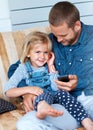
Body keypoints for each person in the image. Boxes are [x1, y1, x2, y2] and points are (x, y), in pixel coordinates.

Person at [7, 1, 93, 130]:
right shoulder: (48, 43)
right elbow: (15, 69)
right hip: (64, 104)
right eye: (55, 35)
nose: (58, 40)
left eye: (63, 35)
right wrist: (28, 92)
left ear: (77, 26)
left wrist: (81, 82)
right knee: (26, 124)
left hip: (89, 98)